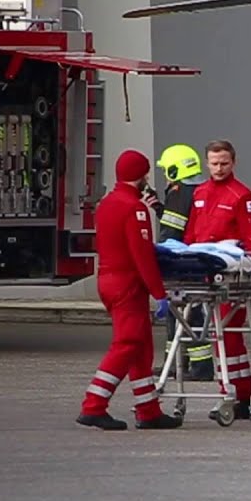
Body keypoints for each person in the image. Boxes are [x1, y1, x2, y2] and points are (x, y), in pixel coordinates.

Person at [76, 149, 181, 430]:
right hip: (127, 284)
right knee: (128, 343)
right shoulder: (134, 209)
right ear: (142, 176)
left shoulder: (107, 203)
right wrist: (158, 292)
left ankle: (148, 409)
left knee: (142, 345)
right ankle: (94, 404)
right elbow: (142, 255)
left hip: (108, 280)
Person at [183, 139, 251, 422]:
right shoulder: (200, 193)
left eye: (224, 163)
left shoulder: (242, 196)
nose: (218, 168)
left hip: (230, 275)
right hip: (204, 272)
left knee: (226, 337)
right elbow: (192, 233)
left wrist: (250, 271)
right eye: (214, 163)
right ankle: (238, 394)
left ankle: (234, 394)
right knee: (224, 338)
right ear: (207, 163)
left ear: (234, 163)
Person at [144, 144, 214, 381]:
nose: (165, 175)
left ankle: (200, 366)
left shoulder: (178, 190)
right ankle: (176, 364)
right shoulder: (200, 188)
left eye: (167, 170)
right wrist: (158, 207)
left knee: (185, 313)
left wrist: (161, 258)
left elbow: (171, 231)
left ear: (175, 170)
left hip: (180, 262)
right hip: (195, 257)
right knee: (183, 312)